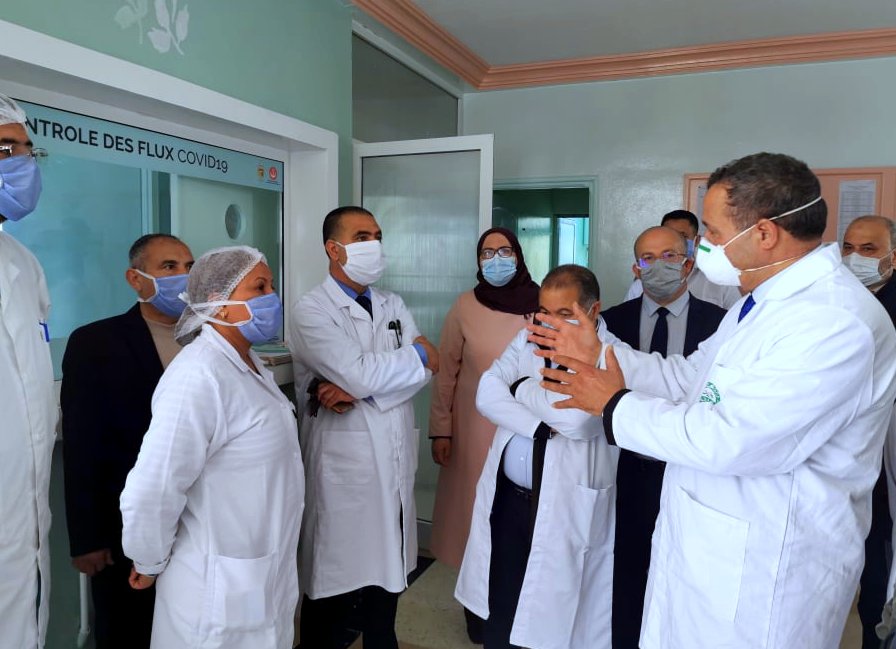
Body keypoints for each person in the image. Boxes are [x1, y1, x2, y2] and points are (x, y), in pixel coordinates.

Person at [532, 152, 896, 648]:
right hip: (711, 547)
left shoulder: (833, 320)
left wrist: (614, 405)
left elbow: (732, 440)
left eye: (713, 232)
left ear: (764, 234)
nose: (702, 245)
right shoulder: (760, 303)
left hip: (766, 569)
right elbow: (689, 378)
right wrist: (599, 352)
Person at [120, 246, 304, 649]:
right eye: (259, 287)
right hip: (214, 595)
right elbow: (154, 486)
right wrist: (147, 559)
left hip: (258, 574)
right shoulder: (197, 375)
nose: (272, 297)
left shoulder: (249, 363)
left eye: (271, 286)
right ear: (219, 304)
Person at [290, 206, 438, 649]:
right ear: (333, 249)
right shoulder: (311, 310)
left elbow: (427, 368)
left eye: (376, 235)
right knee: (332, 587)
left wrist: (363, 388)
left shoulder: (392, 303)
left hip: (391, 457)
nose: (374, 244)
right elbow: (363, 372)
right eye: (361, 237)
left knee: (385, 586)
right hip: (343, 468)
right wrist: (410, 359)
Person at [455, 264, 618, 649]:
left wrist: (520, 387)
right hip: (510, 498)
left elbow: (578, 421)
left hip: (563, 505)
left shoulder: (612, 354)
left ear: (593, 310)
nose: (549, 322)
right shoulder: (527, 339)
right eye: (544, 311)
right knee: (502, 599)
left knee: (550, 614)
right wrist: (541, 427)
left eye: (564, 313)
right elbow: (486, 394)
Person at [61, 233, 194, 649]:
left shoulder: (207, 338)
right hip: (125, 528)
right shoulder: (95, 343)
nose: (182, 276)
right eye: (168, 267)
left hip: (197, 521)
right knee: (127, 630)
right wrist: (88, 539)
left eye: (189, 267)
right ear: (135, 279)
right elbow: (82, 445)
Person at [602, 225, 725, 649]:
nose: (659, 267)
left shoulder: (719, 324)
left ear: (688, 264)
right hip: (626, 468)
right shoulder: (612, 322)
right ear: (635, 269)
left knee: (684, 575)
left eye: (670, 256)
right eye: (648, 259)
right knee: (626, 570)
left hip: (690, 467)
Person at [428, 226, 539, 643]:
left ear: (519, 255)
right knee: (475, 519)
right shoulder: (465, 306)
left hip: (528, 431)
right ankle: (476, 610)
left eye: (504, 251)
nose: (496, 260)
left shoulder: (541, 302)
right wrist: (441, 430)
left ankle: (521, 612)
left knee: (521, 520)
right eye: (487, 253)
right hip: (474, 431)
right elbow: (447, 374)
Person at [0, 93, 55, 649]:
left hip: (23, 504)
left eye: (26, 150)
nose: (22, 163)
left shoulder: (20, 260)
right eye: (5, 149)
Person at [841, 215, 896, 649]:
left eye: (869, 249)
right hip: (844, 446)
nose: (855, 257)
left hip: (887, 441)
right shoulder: (835, 301)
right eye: (848, 248)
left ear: (893, 257)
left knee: (881, 551)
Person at [625, 209, 741, 309]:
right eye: (668, 235)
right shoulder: (643, 281)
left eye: (683, 236)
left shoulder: (720, 279)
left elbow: (736, 320)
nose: (675, 240)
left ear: (697, 241)